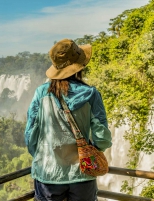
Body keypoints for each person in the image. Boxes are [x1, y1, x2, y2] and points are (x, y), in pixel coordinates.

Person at [24, 39, 112, 201]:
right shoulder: (91, 94)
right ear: (79, 66)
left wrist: (44, 155)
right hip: (83, 173)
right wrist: (91, 149)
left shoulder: (41, 93)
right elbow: (103, 138)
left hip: (48, 174)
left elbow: (31, 135)